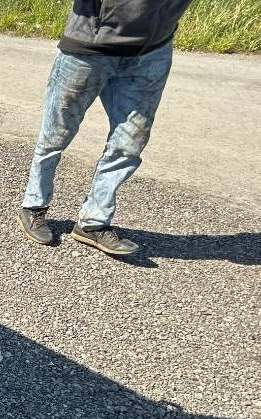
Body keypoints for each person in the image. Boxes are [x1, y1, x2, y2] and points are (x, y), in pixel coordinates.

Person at [18, 0, 194, 255]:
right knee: (56, 135)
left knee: (129, 144)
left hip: (152, 52)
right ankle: (33, 205)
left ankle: (93, 222)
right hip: (89, 47)